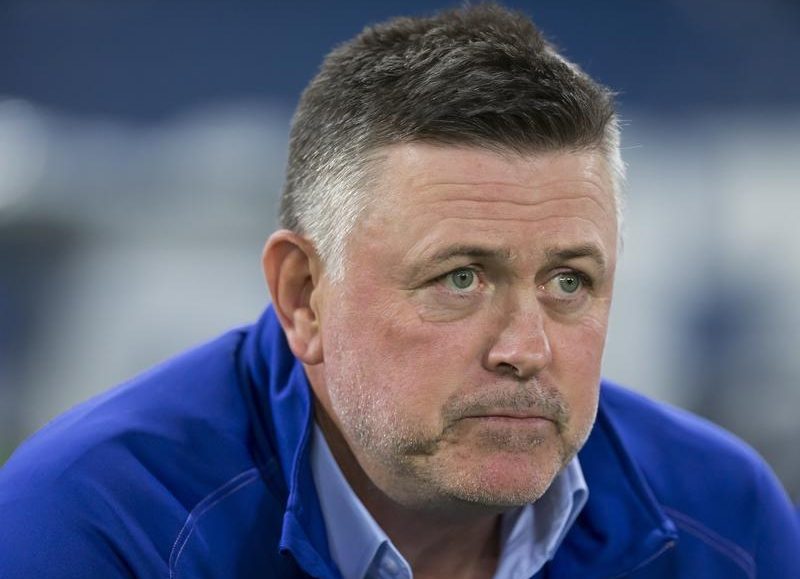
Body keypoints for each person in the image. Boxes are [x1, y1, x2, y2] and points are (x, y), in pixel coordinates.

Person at [1, 4, 798, 578]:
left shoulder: (725, 520)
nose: (526, 348)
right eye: (461, 278)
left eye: (568, 281)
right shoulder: (91, 528)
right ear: (303, 295)